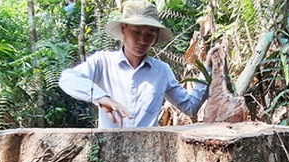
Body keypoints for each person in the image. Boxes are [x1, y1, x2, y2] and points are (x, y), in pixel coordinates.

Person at [59, 0, 210, 129]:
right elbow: (67, 79)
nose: (143, 40)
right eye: (136, 32)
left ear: (156, 35)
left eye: (150, 34)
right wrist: (102, 98)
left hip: (150, 154)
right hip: (109, 152)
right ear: (123, 29)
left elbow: (190, 107)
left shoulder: (161, 71)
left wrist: (208, 69)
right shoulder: (102, 62)